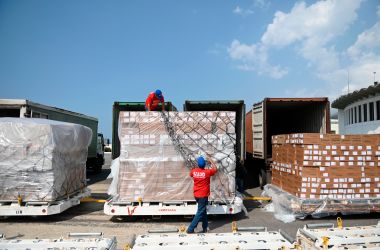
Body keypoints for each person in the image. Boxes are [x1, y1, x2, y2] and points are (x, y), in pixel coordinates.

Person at [187, 156, 218, 234]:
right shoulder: (207, 172)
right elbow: (215, 169)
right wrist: (210, 160)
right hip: (203, 195)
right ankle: (190, 229)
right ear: (204, 165)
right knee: (200, 212)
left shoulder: (194, 171)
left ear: (198, 164)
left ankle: (205, 227)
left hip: (197, 194)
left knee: (203, 211)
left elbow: (191, 174)